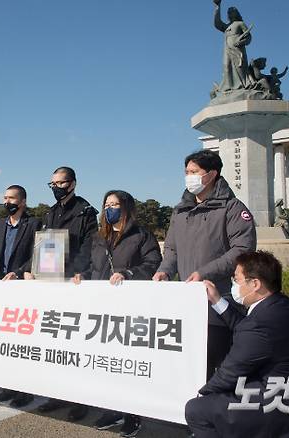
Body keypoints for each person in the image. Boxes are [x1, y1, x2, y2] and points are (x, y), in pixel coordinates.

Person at [185, 251, 289, 438]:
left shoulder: (259, 323)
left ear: (255, 284)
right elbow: (246, 328)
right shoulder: (285, 306)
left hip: (282, 410)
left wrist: (201, 394)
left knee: (196, 410)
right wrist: (217, 300)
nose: (234, 285)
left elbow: (230, 373)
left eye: (237, 280)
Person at [154, 150, 256, 380]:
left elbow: (242, 250)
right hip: (187, 304)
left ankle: (213, 412)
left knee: (212, 366)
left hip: (220, 304)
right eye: (186, 172)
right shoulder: (180, 211)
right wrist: (165, 271)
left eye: (194, 172)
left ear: (211, 174)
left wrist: (204, 273)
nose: (188, 177)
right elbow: (171, 248)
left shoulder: (232, 208)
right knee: (186, 368)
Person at [73, 190, 162, 437]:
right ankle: (112, 408)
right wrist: (83, 276)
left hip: (130, 307)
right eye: (107, 204)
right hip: (101, 307)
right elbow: (93, 266)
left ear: (127, 208)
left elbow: (153, 263)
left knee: (126, 363)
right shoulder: (98, 236)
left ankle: (133, 414)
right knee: (105, 362)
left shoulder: (142, 235)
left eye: (115, 204)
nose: (110, 208)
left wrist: (128, 274)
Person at [37, 166, 98, 421]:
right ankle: (56, 394)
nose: (56, 188)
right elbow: (44, 246)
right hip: (52, 284)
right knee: (55, 345)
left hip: (74, 284)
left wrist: (76, 273)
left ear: (72, 184)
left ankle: (81, 400)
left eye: (60, 183)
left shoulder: (86, 212)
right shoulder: (50, 213)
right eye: (52, 184)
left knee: (75, 346)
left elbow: (88, 249)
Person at [0, 185, 41, 408]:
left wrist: (19, 273)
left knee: (22, 343)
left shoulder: (35, 224)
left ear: (22, 202)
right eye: (5, 197)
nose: (7, 201)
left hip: (23, 286)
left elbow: (38, 254)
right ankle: (6, 386)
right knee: (5, 341)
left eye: (11, 198)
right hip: (1, 286)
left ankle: (25, 390)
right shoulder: (1, 224)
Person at [213, 0, 251, 93]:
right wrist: (217, 7)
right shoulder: (227, 26)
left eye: (232, 12)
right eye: (229, 12)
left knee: (239, 67)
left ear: (236, 13)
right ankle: (228, 87)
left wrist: (241, 42)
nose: (230, 14)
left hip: (237, 49)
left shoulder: (240, 24)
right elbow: (217, 24)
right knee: (226, 66)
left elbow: (249, 37)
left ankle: (243, 85)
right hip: (227, 49)